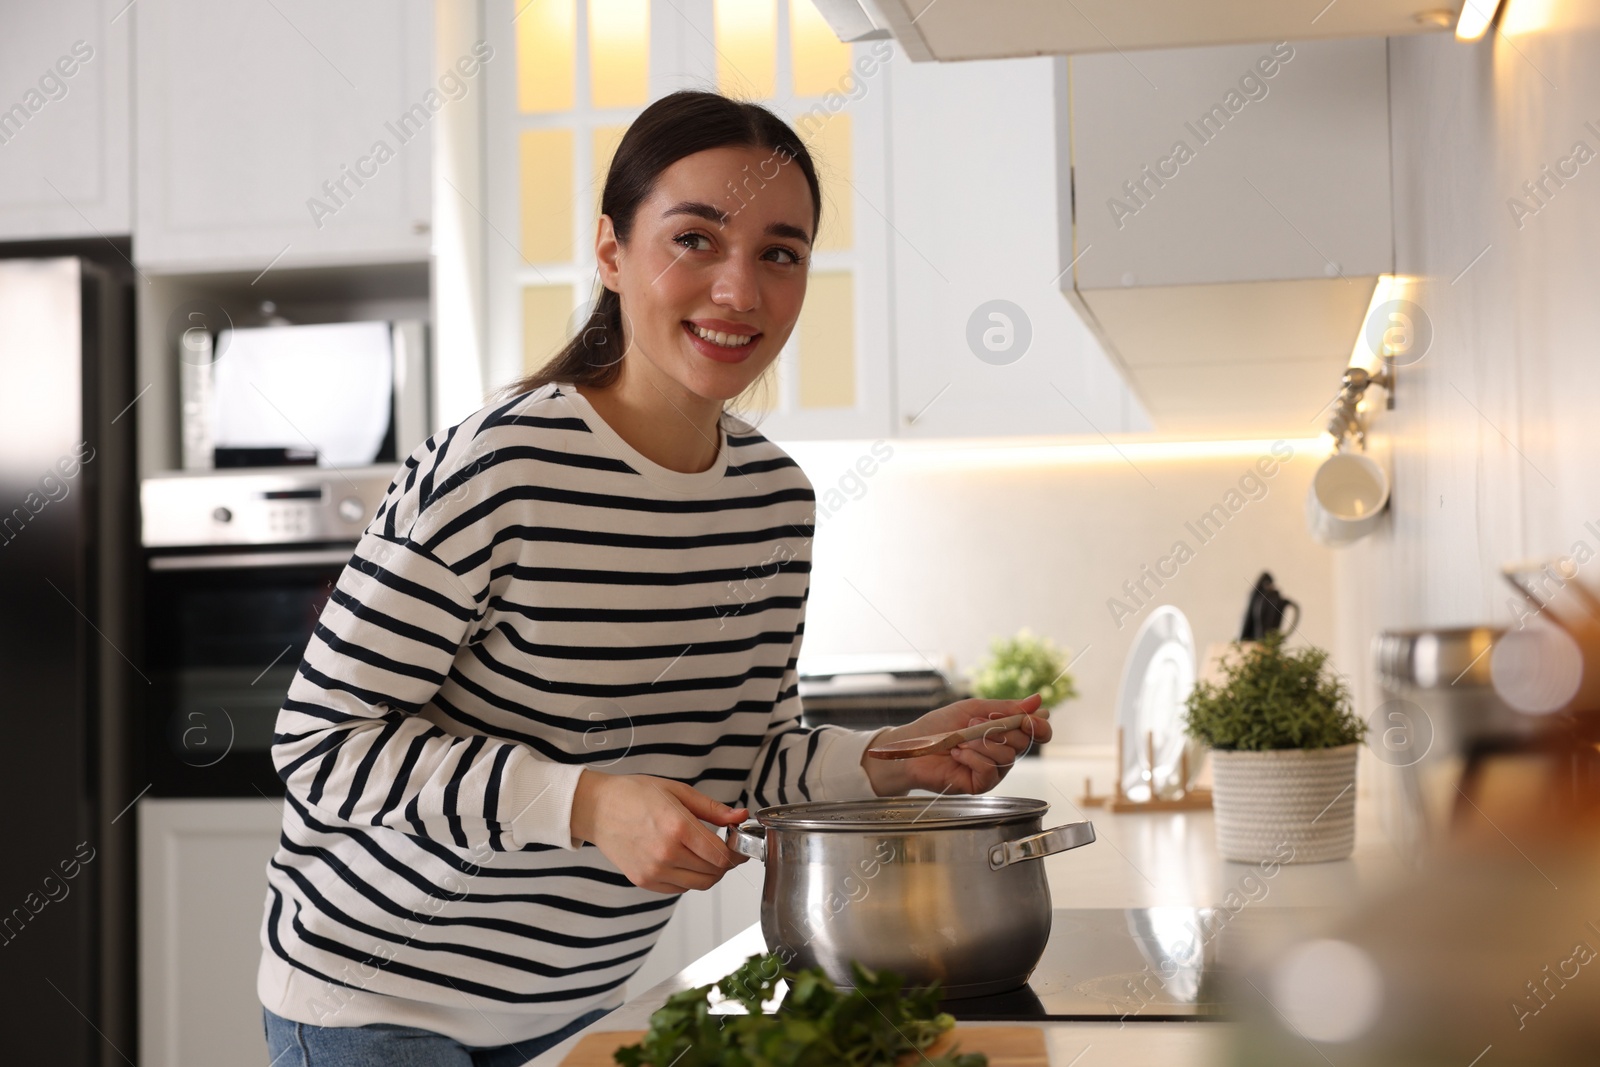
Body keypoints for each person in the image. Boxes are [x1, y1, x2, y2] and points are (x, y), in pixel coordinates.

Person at [258, 89, 1050, 1067]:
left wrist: (893, 759)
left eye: (779, 252)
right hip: (375, 1001)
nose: (739, 291)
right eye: (694, 239)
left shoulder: (773, 501)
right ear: (610, 251)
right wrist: (587, 803)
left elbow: (741, 756)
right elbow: (319, 744)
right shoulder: (499, 467)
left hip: (577, 1001)